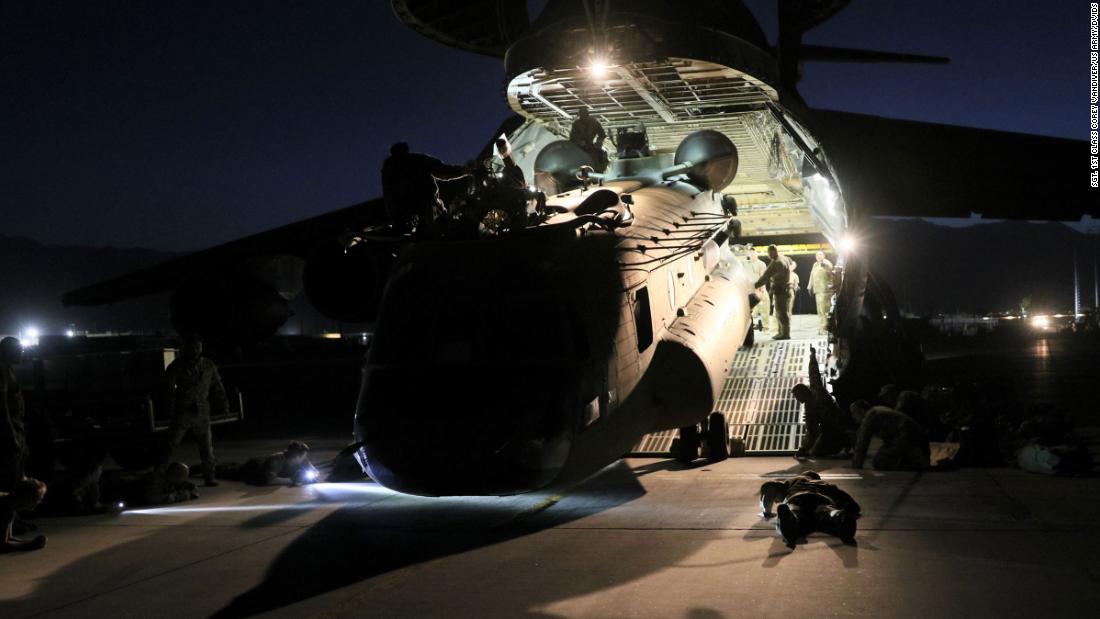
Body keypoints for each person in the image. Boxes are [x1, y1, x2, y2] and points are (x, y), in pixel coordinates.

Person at [162, 336, 228, 487]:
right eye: (193, 347)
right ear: (186, 348)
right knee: (170, 444)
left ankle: (209, 477)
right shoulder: (177, 366)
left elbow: (217, 386)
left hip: (202, 412)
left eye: (198, 347)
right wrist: (169, 408)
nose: (196, 350)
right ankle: (159, 473)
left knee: (207, 447)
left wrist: (224, 404)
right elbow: (168, 389)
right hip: (183, 411)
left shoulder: (208, 365)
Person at [1, 336, 46, 552]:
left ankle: (9, 531)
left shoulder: (7, 370)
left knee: (14, 486)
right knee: (11, 490)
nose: (22, 353)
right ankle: (4, 538)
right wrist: (11, 438)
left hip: (16, 436)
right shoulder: (2, 372)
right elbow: (2, 408)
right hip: (9, 440)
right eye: (18, 349)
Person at [381, 142, 472, 238]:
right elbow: (443, 171)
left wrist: (393, 212)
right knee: (438, 229)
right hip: (424, 205)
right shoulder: (416, 159)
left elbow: (387, 192)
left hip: (400, 211)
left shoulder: (388, 166)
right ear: (406, 150)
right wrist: (464, 171)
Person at [759, 471, 860, 548]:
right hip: (822, 499)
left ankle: (790, 519)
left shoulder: (794, 481)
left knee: (795, 514)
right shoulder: (824, 484)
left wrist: (767, 512)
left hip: (797, 498)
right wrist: (850, 510)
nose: (777, 502)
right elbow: (851, 504)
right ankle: (839, 516)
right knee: (827, 513)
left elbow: (770, 489)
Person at [791, 346, 850, 458]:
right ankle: (840, 443)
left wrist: (812, 356)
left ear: (804, 393)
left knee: (820, 448)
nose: (798, 400)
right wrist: (804, 448)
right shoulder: (809, 407)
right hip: (827, 428)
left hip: (839, 422)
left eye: (798, 397)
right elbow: (811, 429)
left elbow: (813, 372)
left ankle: (848, 438)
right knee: (816, 453)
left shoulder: (817, 390)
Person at [849, 400, 930, 470]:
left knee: (879, 461)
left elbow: (862, 443)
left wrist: (856, 464)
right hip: (915, 437)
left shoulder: (870, 416)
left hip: (910, 439)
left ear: (862, 411)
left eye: (854, 413)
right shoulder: (877, 410)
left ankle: (914, 463)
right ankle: (911, 460)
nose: (853, 417)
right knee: (883, 453)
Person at [217, 441, 319, 486]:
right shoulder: (277, 461)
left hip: (260, 464)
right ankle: (208, 468)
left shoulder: (299, 458)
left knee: (230, 465)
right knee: (225, 471)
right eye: (304, 456)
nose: (305, 458)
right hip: (253, 468)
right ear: (297, 457)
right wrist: (291, 480)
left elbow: (314, 470)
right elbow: (269, 480)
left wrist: (312, 475)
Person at [101, 462, 199, 507]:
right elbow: (153, 498)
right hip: (116, 492)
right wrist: (180, 496)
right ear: (176, 476)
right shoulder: (156, 480)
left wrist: (191, 489)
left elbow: (188, 485)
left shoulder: (168, 479)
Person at [754, 245, 796, 340]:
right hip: (787, 288)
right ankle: (782, 332)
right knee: (782, 312)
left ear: (773, 252)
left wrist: (755, 285)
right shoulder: (784, 258)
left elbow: (765, 277)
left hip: (781, 290)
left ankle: (785, 334)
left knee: (781, 312)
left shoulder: (776, 263)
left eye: (769, 253)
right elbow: (793, 263)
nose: (768, 256)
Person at [1, 477, 47, 552]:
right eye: (39, 499)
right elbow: (3, 545)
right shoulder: (6, 508)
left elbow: (9, 538)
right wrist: (31, 545)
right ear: (29, 498)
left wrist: (30, 542)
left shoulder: (11, 505)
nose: (39, 502)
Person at [808, 251, 835, 334]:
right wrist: (809, 286)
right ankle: (822, 327)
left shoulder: (827, 263)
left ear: (824, 255)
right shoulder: (815, 265)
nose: (818, 256)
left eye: (820, 255)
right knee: (820, 310)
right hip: (818, 290)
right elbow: (812, 276)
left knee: (825, 309)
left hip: (825, 291)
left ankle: (826, 328)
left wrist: (824, 265)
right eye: (816, 255)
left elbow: (829, 270)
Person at [745, 246, 771, 332]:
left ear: (756, 253)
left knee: (765, 308)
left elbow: (763, 277)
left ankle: (765, 327)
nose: (751, 254)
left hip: (759, 288)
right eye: (750, 252)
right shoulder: (744, 263)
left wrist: (762, 288)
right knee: (749, 310)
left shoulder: (761, 264)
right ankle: (748, 328)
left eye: (753, 252)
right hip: (748, 289)